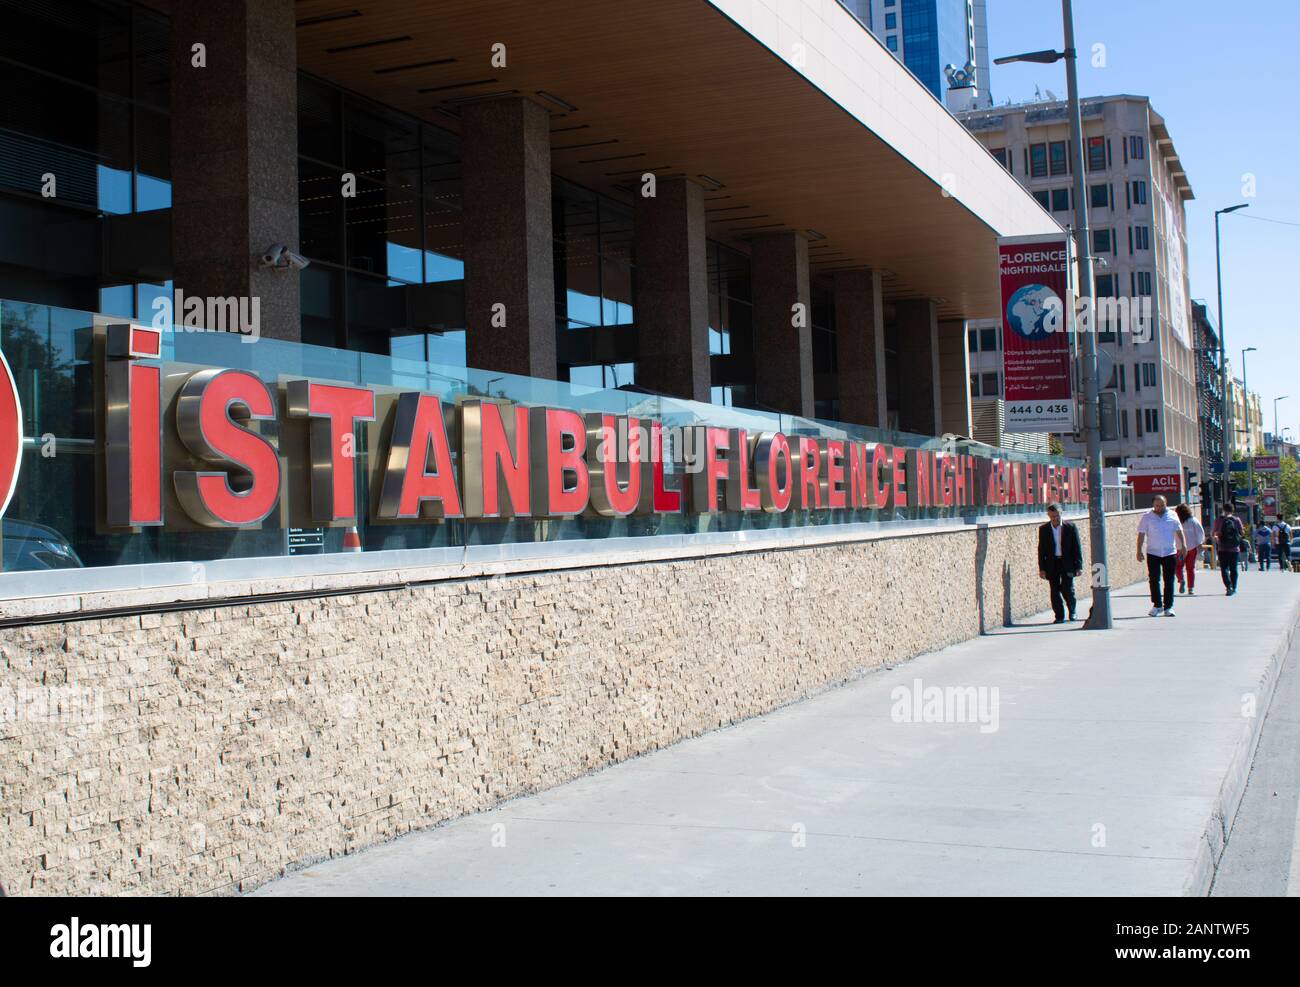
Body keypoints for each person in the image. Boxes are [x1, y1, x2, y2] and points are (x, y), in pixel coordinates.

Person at [1136, 494, 1186, 616]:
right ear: (1153, 505)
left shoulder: (1173, 515)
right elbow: (1141, 534)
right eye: (1157, 505)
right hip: (1153, 552)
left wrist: (1183, 546)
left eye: (1162, 505)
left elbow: (1179, 531)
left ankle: (1168, 607)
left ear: (1166, 503)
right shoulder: (1147, 517)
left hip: (1170, 552)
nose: (1159, 508)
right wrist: (1139, 550)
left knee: (1169, 580)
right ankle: (1157, 605)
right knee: (1154, 579)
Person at [1038, 502, 1083, 624]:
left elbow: (1077, 547)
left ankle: (1072, 611)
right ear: (1048, 516)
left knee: (1068, 588)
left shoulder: (1070, 527)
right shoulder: (1044, 530)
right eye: (1052, 516)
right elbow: (1041, 550)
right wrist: (1042, 568)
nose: (1055, 519)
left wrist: (1079, 566)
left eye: (1057, 516)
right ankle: (1059, 616)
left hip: (1067, 563)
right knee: (1054, 590)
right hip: (1052, 564)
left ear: (1061, 513)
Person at [1212, 503, 1245, 595]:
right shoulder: (1236, 520)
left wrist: (1216, 537)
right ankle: (1234, 587)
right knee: (1233, 569)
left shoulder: (1219, 520)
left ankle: (1228, 586)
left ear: (1223, 509)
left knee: (1224, 569)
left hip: (1222, 548)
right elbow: (1242, 533)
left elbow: (1213, 533)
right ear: (1232, 510)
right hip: (1234, 549)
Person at [1174, 503, 1205, 595]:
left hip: (1179, 549)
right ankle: (1190, 588)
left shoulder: (1176, 521)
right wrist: (1199, 543)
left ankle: (1181, 579)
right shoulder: (1193, 520)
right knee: (1190, 568)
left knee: (1178, 567)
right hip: (1192, 548)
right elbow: (1200, 532)